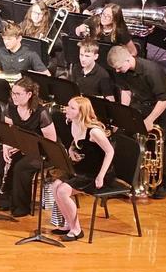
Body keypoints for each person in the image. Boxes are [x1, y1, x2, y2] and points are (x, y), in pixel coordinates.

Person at [108, 45, 166, 199]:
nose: (117, 71)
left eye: (118, 68)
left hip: (159, 110)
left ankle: (160, 183)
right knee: (125, 139)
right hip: (140, 106)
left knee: (154, 146)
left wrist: (150, 119)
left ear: (128, 59)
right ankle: (129, 179)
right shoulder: (120, 70)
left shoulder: (151, 70)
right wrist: (123, 114)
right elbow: (126, 91)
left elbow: (164, 99)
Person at [47, 96, 117, 242]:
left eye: (72, 108)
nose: (67, 109)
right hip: (83, 168)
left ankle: (77, 230)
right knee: (55, 187)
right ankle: (68, 224)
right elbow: (76, 141)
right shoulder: (74, 124)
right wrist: (71, 149)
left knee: (63, 190)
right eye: (68, 106)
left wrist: (101, 176)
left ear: (81, 112)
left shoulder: (94, 132)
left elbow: (110, 151)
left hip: (97, 173)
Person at [0, 77, 56, 216]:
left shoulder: (41, 113)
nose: (14, 97)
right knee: (0, 159)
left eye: (18, 94)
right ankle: (4, 201)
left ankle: (21, 207)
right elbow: (8, 132)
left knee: (21, 167)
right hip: (20, 147)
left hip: (42, 151)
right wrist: (6, 146)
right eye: (13, 93)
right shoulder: (10, 108)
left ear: (29, 95)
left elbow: (50, 142)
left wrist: (26, 147)